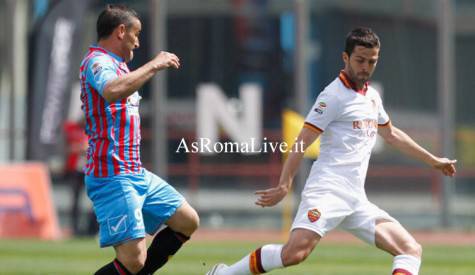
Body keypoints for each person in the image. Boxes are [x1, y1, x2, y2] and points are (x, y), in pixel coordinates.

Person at [206, 27, 456, 275]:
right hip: (327, 191)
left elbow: (391, 134)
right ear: (345, 58)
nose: (365, 67)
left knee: (410, 249)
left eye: (372, 61)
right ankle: (223, 274)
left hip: (356, 199)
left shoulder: (372, 97)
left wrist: (433, 160)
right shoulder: (332, 97)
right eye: (360, 60)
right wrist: (285, 184)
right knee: (294, 254)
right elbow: (302, 141)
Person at [79, 4, 199, 275]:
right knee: (133, 260)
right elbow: (111, 91)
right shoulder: (98, 62)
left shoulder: (120, 66)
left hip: (135, 172)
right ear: (121, 31)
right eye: (137, 33)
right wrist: (155, 64)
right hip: (112, 175)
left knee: (187, 221)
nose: (138, 40)